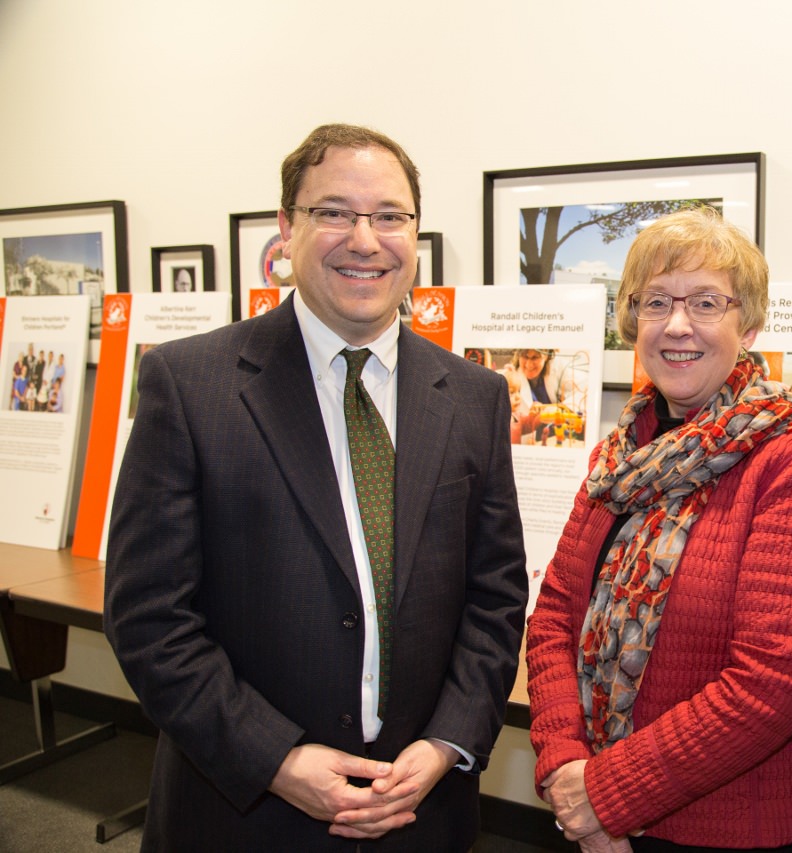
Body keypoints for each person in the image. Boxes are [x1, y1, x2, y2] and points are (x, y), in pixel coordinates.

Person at [104, 124, 528, 852]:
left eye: (389, 216)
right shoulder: (190, 384)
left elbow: (496, 596)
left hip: (420, 812)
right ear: (286, 228)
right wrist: (276, 759)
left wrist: (446, 743)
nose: (365, 239)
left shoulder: (474, 395)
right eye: (334, 211)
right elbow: (148, 615)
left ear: (414, 233)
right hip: (243, 811)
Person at [526, 206, 792, 852]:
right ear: (631, 319)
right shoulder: (619, 458)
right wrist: (564, 766)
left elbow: (775, 679)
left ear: (748, 323)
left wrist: (607, 793)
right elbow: (555, 613)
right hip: (592, 812)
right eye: (655, 302)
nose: (677, 325)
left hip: (726, 833)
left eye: (705, 302)